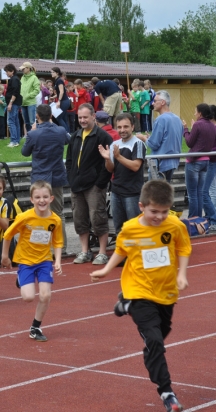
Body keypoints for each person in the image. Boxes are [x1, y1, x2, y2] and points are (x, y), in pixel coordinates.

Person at [90, 179, 190, 412]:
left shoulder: (174, 225)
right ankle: (167, 392)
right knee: (154, 340)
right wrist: (106, 270)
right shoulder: (130, 228)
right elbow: (122, 249)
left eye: (164, 212)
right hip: (138, 290)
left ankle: (124, 307)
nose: (159, 217)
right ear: (141, 206)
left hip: (165, 292)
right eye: (154, 211)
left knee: (159, 337)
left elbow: (184, 248)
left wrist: (182, 274)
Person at [1, 181, 63, 342]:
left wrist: (58, 261)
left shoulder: (55, 220)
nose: (41, 200)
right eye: (37, 197)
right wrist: (5, 256)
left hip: (44, 261)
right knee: (28, 297)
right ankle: (20, 278)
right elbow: (7, 235)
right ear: (31, 199)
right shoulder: (25, 217)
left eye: (45, 197)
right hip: (26, 261)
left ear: (51, 198)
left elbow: (57, 242)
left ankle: (35, 327)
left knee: (45, 295)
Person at [66, 103, 114, 265]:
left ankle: (102, 252)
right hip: (76, 185)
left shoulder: (102, 136)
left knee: (97, 217)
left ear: (93, 116)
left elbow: (107, 162)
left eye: (85, 117)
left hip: (94, 185)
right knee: (79, 218)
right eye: (80, 117)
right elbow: (70, 160)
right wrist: (71, 177)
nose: (82, 120)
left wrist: (100, 183)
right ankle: (85, 251)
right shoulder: (75, 136)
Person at [21, 103, 70, 254]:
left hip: (40, 177)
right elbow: (68, 140)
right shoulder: (60, 131)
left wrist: (31, 132)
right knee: (58, 213)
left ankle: (42, 247)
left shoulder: (34, 134)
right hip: (56, 175)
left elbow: (24, 152)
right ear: (51, 116)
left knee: (40, 212)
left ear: (37, 117)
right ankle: (60, 247)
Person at [99, 113, 147, 235]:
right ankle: (123, 252)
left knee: (134, 227)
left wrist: (118, 157)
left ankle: (135, 253)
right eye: (119, 127)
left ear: (132, 127)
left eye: (125, 127)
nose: (122, 130)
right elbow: (110, 169)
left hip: (132, 193)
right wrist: (107, 159)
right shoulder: (114, 144)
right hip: (116, 191)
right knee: (119, 228)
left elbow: (136, 166)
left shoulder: (138, 144)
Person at [136, 91, 183, 183]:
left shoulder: (160, 119)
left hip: (160, 164)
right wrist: (151, 137)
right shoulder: (177, 119)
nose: (152, 103)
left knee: (155, 195)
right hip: (173, 162)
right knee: (165, 193)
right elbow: (169, 138)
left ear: (162, 102)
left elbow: (153, 144)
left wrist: (143, 138)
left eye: (155, 101)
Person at [183, 104, 216, 221]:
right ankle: (198, 220)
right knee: (199, 193)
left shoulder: (198, 124)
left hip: (194, 161)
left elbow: (189, 142)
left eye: (195, 112)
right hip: (205, 161)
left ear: (200, 113)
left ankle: (192, 220)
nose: (194, 114)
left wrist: (185, 129)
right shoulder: (212, 125)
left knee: (192, 194)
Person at [19, 62, 41, 135]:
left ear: (28, 69)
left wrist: (28, 96)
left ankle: (35, 136)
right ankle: (29, 137)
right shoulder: (22, 77)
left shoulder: (34, 78)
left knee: (32, 122)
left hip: (31, 103)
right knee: (26, 122)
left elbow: (37, 90)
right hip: (23, 103)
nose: (22, 70)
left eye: (23, 68)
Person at [4, 64, 23, 147]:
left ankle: (14, 140)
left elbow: (15, 92)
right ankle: (17, 140)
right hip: (15, 103)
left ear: (12, 71)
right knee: (16, 122)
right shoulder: (14, 79)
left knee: (11, 121)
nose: (6, 73)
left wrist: (10, 103)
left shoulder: (14, 79)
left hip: (14, 103)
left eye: (7, 71)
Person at [51, 67, 70, 133]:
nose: (51, 73)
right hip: (63, 101)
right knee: (64, 118)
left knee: (58, 117)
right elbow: (60, 92)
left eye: (53, 72)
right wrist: (54, 97)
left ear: (57, 73)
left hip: (64, 101)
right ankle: (68, 134)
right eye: (51, 72)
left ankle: (66, 133)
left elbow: (62, 92)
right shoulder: (57, 80)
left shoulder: (59, 80)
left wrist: (58, 101)